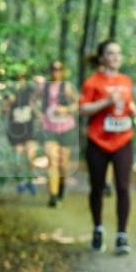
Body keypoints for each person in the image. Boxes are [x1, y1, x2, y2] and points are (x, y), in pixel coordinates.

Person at [79, 40, 136, 255]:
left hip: (123, 139)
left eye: (118, 53)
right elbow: (83, 109)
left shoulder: (126, 80)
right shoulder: (92, 82)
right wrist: (105, 102)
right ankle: (98, 228)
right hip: (98, 141)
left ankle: (122, 235)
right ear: (102, 57)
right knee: (97, 187)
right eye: (110, 54)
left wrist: (133, 110)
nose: (115, 57)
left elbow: (128, 104)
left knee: (123, 186)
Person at [40, 60, 78, 207]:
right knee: (52, 161)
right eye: (53, 68)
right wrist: (39, 115)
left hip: (66, 128)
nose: (55, 71)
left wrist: (66, 110)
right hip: (49, 128)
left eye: (58, 69)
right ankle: (53, 196)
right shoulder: (43, 87)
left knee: (63, 164)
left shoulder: (67, 87)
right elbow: (32, 101)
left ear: (62, 71)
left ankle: (61, 188)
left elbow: (78, 103)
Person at [2, 71, 40, 195]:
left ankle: (31, 181)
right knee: (18, 157)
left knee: (31, 156)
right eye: (18, 78)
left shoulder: (31, 92)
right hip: (16, 131)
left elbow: (37, 111)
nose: (20, 81)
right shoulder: (10, 93)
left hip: (29, 130)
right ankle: (22, 182)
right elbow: (2, 111)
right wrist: (8, 102)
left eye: (22, 78)